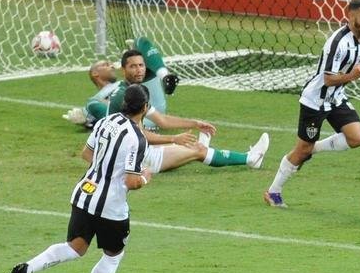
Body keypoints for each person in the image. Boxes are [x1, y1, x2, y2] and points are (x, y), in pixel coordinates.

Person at [3, 83, 153, 273]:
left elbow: (86, 153)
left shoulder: (106, 121)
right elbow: (132, 181)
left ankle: (28, 268)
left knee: (75, 247)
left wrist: (103, 168)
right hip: (111, 208)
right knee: (114, 254)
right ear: (145, 107)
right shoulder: (137, 138)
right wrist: (145, 177)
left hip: (85, 194)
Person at [264, 0, 360, 207]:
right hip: (315, 101)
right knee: (301, 150)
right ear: (351, 17)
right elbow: (328, 78)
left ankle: (312, 149)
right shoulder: (338, 43)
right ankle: (273, 191)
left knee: (357, 138)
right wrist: (352, 76)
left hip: (336, 98)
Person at [69, 40, 269, 176]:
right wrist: (173, 138)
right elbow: (136, 135)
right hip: (141, 159)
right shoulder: (124, 96)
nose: (139, 70)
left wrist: (195, 123)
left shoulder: (133, 91)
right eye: (133, 66)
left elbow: (162, 121)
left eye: (141, 65)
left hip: (137, 151)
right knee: (197, 150)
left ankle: (221, 152)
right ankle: (250, 159)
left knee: (191, 148)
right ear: (124, 70)